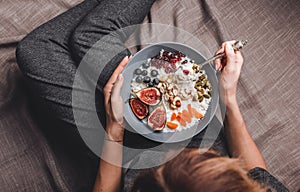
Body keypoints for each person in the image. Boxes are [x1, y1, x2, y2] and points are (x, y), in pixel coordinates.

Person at [16, 0, 288, 191]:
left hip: (122, 156)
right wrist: (228, 97)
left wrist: (113, 132)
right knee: (90, 38)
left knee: (37, 50)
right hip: (191, 123)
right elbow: (257, 175)